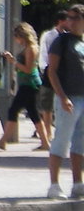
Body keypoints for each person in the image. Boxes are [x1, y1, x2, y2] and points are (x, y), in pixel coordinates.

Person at [45, 4, 84, 199]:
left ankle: (78, 183)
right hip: (68, 97)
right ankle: (54, 184)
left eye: (75, 17)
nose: (71, 21)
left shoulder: (81, 42)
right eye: (69, 17)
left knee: (80, 143)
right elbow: (52, 70)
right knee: (61, 140)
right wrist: (62, 97)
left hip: (83, 97)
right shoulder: (61, 41)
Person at [0, 22, 50, 151]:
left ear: (22, 36)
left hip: (29, 83)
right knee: (33, 113)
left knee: (13, 110)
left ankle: (3, 141)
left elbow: (28, 69)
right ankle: (45, 142)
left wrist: (13, 62)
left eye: (17, 36)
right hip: (26, 83)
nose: (16, 40)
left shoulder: (31, 49)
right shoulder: (27, 47)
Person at [38, 10, 70, 140]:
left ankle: (60, 130)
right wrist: (46, 68)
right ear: (61, 21)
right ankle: (48, 132)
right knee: (47, 103)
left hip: (63, 72)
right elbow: (45, 53)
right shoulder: (49, 35)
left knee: (62, 100)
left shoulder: (68, 36)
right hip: (49, 69)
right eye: (67, 20)